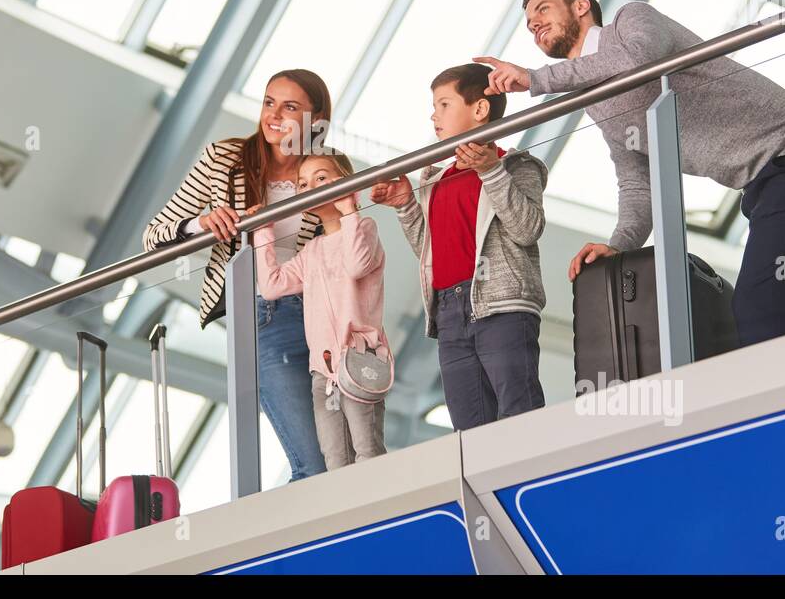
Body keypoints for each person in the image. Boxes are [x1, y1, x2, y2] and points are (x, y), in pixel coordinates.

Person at [475, 0, 785, 347]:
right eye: (528, 23)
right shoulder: (596, 101)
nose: (534, 23)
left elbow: (641, 58)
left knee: (760, 311)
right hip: (765, 180)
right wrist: (620, 244)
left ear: (581, 6)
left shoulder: (630, 21)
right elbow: (637, 182)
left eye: (542, 9)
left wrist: (535, 79)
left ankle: (781, 405)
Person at [143, 70, 332, 481]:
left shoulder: (325, 168)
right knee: (313, 461)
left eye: (290, 106)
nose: (274, 115)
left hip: (322, 315)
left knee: (340, 456)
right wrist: (202, 223)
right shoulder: (224, 159)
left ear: (316, 119)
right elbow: (153, 237)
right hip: (264, 315)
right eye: (269, 102)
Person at [371, 63, 547, 430]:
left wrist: (491, 172)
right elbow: (429, 251)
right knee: (469, 429)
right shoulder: (436, 179)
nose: (433, 114)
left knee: (519, 411)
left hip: (500, 306)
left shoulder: (515, 166)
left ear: (479, 110)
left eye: (444, 104)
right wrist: (406, 204)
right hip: (449, 313)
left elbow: (527, 229)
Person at [254, 152, 389, 469]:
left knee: (367, 451)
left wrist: (348, 211)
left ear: (345, 183)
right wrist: (263, 232)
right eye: (302, 183)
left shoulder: (364, 229)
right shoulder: (311, 250)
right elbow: (272, 287)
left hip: (359, 362)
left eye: (321, 179)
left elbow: (356, 266)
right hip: (323, 372)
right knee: (335, 459)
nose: (310, 187)